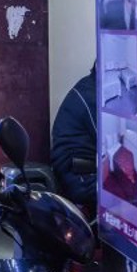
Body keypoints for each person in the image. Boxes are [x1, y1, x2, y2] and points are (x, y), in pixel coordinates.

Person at [50, 64, 98, 213]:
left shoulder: (89, 86)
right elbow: (106, 140)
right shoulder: (91, 95)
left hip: (80, 170)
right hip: (80, 176)